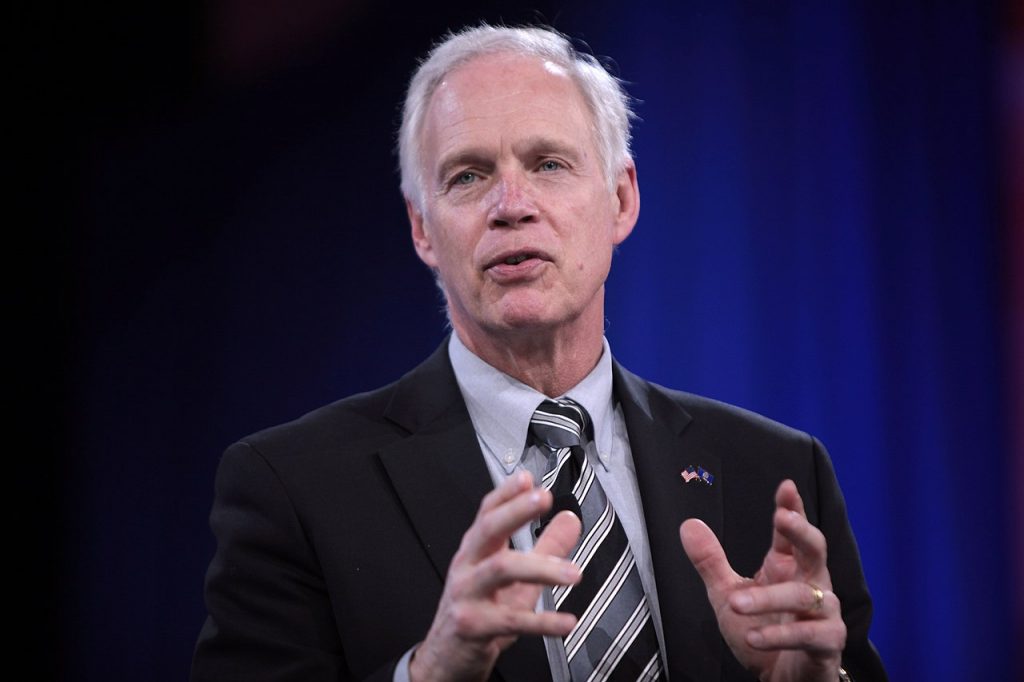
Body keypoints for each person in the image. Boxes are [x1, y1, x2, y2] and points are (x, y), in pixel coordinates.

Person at [191, 23, 887, 682]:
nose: (511, 204)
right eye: (467, 176)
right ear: (422, 230)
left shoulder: (779, 474)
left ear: (620, 199)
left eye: (548, 163)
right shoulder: (292, 488)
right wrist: (432, 669)